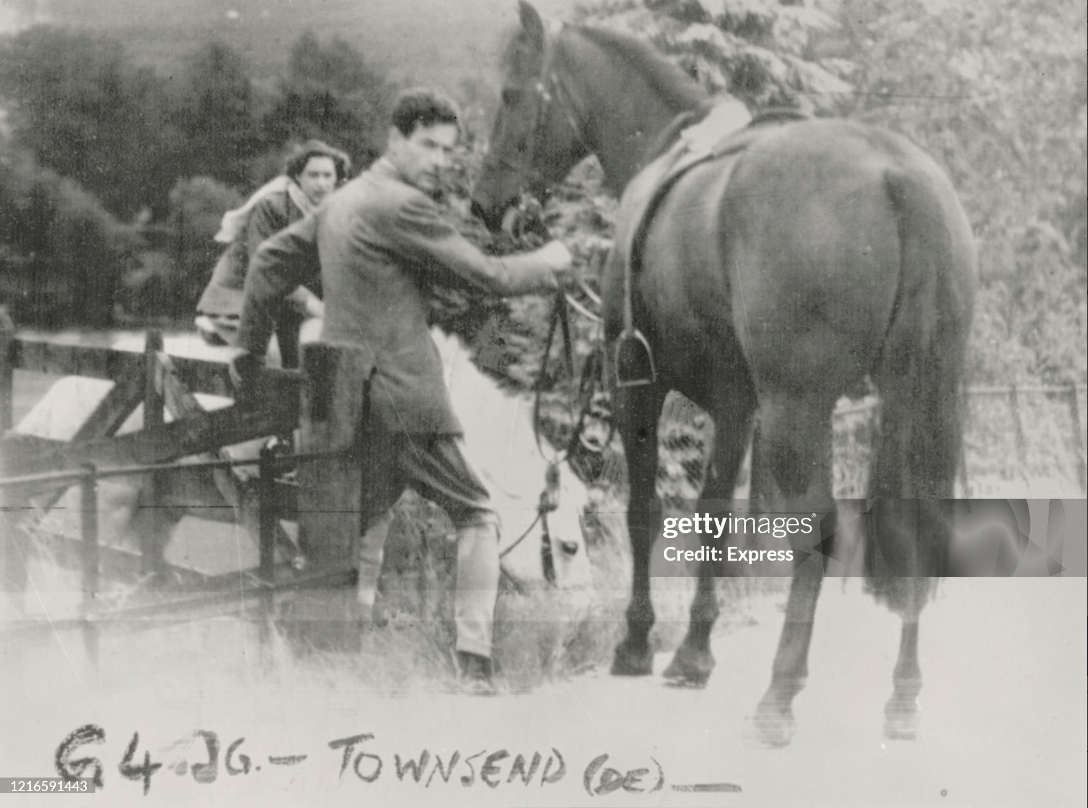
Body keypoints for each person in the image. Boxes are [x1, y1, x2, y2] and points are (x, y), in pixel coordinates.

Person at [230, 88, 573, 689]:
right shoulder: (399, 206)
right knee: (478, 513)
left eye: (449, 149)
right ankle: (474, 664)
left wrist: (247, 348)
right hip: (401, 395)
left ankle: (326, 654)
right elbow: (487, 275)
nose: (441, 160)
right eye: (429, 146)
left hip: (342, 400)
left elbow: (267, 264)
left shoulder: (345, 200)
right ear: (396, 139)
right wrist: (551, 261)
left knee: (363, 523)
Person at [195, 139, 351, 367]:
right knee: (270, 361)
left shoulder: (333, 212)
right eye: (313, 175)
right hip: (241, 298)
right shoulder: (272, 206)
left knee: (323, 353)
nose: (321, 183)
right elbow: (268, 271)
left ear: (337, 179)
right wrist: (318, 307)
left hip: (287, 305)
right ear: (297, 176)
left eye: (328, 176)